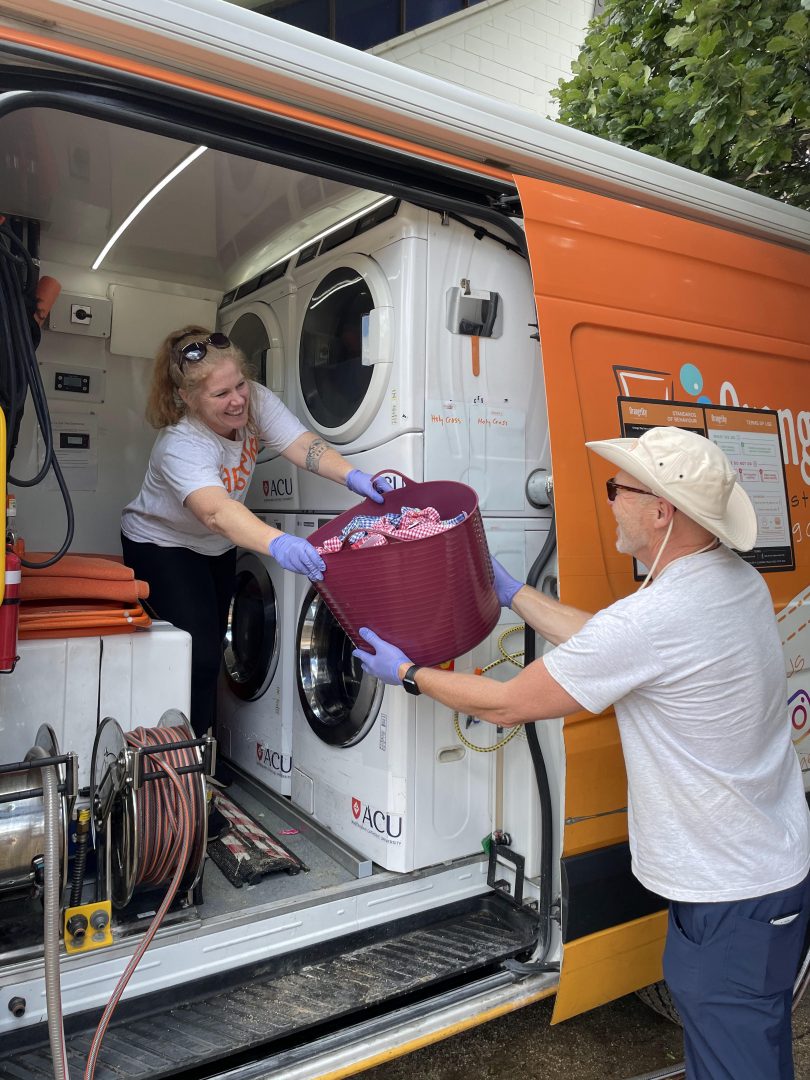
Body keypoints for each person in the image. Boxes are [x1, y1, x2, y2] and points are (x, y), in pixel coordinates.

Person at [353, 426, 810, 1080]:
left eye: (617, 489)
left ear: (661, 512)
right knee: (741, 1051)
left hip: (734, 895)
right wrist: (512, 593)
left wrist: (409, 675)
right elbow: (609, 642)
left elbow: (508, 703)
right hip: (756, 874)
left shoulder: (663, 614)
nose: (609, 500)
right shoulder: (727, 580)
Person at [121, 326, 392, 736]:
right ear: (186, 399)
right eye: (221, 395)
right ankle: (177, 765)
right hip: (161, 544)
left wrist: (355, 477)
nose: (237, 400)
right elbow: (216, 512)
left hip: (216, 545)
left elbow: (300, 445)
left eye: (240, 385)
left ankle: (200, 753)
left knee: (211, 647)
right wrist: (279, 542)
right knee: (195, 656)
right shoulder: (180, 444)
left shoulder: (255, 401)